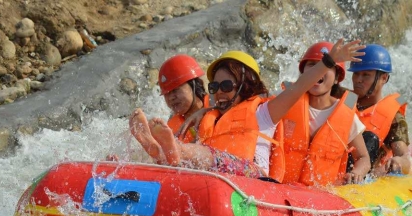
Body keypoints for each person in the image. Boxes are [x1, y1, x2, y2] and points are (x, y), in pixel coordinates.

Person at [129, 39, 366, 183]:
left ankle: (174, 150)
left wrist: (328, 62)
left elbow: (301, 87)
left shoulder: (265, 112)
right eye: (214, 87)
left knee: (209, 157)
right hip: (219, 179)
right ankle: (158, 153)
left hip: (254, 180)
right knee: (193, 163)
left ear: (246, 85)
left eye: (226, 85)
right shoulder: (211, 116)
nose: (219, 92)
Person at [279, 42, 371, 186]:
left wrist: (356, 173)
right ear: (305, 75)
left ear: (336, 79)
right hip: (281, 190)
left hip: (322, 196)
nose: (319, 70)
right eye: (312, 65)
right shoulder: (284, 102)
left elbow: (363, 158)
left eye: (326, 66)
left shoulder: (347, 116)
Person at [348, 44, 411, 176]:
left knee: (369, 138)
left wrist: (399, 161)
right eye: (356, 74)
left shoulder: (394, 116)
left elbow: (405, 157)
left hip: (365, 179)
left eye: (366, 75)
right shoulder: (344, 100)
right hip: (332, 174)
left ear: (384, 78)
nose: (358, 80)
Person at [158, 54, 210, 143]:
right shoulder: (171, 129)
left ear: (195, 85)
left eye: (175, 90)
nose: (171, 98)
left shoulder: (219, 108)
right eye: (166, 93)